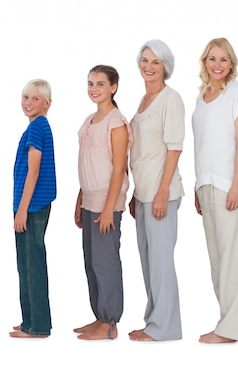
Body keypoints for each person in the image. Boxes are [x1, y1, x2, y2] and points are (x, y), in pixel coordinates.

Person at [192, 38, 238, 344]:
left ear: (231, 64)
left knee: (231, 259)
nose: (217, 64)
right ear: (205, 62)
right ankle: (224, 322)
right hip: (206, 185)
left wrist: (237, 186)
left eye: (223, 59)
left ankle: (230, 329)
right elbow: (202, 144)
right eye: (212, 59)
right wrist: (198, 183)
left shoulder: (236, 93)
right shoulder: (202, 97)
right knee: (216, 259)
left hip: (229, 186)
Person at [128, 39, 185, 342]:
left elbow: (174, 148)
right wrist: (135, 194)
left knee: (161, 261)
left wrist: (162, 191)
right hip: (142, 193)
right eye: (145, 61)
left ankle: (166, 328)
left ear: (166, 67)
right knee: (148, 261)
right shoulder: (142, 101)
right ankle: (153, 321)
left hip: (161, 193)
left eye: (156, 62)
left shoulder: (170, 99)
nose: (149, 67)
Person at [73, 65, 132, 340]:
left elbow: (119, 168)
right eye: (90, 84)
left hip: (107, 204)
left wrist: (109, 209)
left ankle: (110, 322)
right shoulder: (89, 121)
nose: (94, 89)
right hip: (89, 201)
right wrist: (79, 199)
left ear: (113, 87)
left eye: (100, 84)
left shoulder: (116, 122)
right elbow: (88, 163)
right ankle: (99, 316)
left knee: (105, 262)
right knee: (91, 262)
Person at [10, 79, 57, 338]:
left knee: (31, 264)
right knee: (27, 263)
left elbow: (33, 171)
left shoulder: (37, 129)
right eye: (25, 97)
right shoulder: (38, 127)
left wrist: (21, 210)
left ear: (47, 103)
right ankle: (30, 318)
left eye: (35, 99)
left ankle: (37, 325)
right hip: (31, 204)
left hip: (31, 206)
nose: (28, 103)